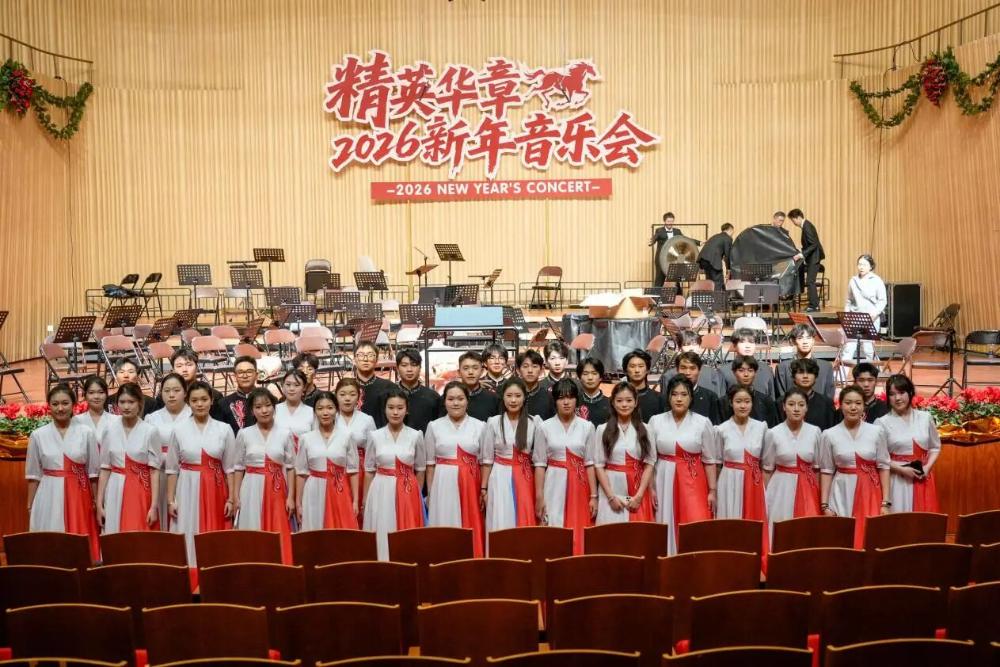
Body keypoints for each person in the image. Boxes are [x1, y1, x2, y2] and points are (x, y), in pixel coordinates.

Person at [165, 381, 237, 566]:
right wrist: (171, 500)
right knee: (188, 528)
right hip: (187, 488)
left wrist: (231, 499)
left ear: (211, 400)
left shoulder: (224, 429)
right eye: (195, 400)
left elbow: (230, 468)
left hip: (216, 490)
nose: (199, 404)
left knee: (214, 533)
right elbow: (172, 469)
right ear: (188, 402)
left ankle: (214, 570)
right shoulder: (179, 430)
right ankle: (189, 571)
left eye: (204, 399)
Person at [26, 384, 100, 562]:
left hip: (79, 494)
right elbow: (33, 475)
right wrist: (30, 506)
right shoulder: (38, 435)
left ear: (74, 404)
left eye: (65, 403)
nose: (60, 408)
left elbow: (93, 472)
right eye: (55, 404)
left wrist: (96, 502)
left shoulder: (86, 433)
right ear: (49, 406)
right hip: (48, 494)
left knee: (80, 545)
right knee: (51, 541)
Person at [647, 375, 718, 555]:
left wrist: (712, 490)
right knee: (665, 519)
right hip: (663, 478)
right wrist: (651, 488)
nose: (679, 399)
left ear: (691, 397)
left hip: (694, 480)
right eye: (674, 394)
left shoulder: (703, 422)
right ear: (668, 396)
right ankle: (667, 561)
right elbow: (650, 459)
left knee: (695, 519)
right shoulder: (656, 421)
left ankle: (694, 562)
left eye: (684, 394)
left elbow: (710, 460)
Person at [818, 384, 891, 549]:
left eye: (858, 403)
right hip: (841, 492)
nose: (853, 407)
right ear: (840, 405)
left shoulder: (876, 432)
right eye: (848, 402)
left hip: (870, 492)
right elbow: (827, 471)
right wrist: (825, 505)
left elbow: (884, 466)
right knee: (843, 539)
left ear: (864, 406)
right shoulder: (829, 434)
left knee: (869, 539)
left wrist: (885, 502)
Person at [533, 378, 598, 554]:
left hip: (580, 485)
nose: (566, 402)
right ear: (555, 401)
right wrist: (539, 495)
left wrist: (594, 496)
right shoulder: (544, 427)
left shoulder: (587, 427)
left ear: (577, 400)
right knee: (553, 524)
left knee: (579, 527)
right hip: (553, 482)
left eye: (570, 397)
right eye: (561, 398)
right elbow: (540, 464)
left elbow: (590, 463)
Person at [363, 387, 426, 561]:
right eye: (391, 407)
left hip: (408, 491)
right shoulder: (375, 436)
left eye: (400, 408)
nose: (395, 412)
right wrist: (366, 500)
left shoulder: (416, 436)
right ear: (385, 409)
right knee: (382, 528)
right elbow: (369, 470)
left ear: (407, 410)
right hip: (381, 489)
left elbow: (420, 469)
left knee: (406, 533)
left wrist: (415, 494)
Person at [425, 382, 487, 557]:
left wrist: (483, 489)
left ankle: (472, 561)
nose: (456, 403)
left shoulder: (480, 426)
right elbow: (430, 464)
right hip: (443, 482)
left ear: (467, 401)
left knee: (471, 523)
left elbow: (484, 462)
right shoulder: (434, 426)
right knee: (445, 522)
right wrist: (430, 492)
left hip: (471, 483)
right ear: (444, 401)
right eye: (451, 399)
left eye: (460, 399)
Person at [234, 389, 296, 563]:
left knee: (278, 527)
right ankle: (252, 565)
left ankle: (280, 565)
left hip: (277, 489)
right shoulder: (244, 434)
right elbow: (238, 467)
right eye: (258, 407)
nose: (264, 410)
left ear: (274, 407)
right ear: (252, 410)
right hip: (251, 487)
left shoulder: (285, 433)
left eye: (268, 405)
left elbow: (291, 467)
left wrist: (291, 497)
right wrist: (236, 496)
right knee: (252, 525)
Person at [96, 383, 161, 535]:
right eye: (122, 402)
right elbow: (105, 468)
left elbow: (154, 471)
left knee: (139, 533)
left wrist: (154, 506)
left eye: (131, 402)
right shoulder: (109, 430)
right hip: (114, 488)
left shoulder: (150, 431)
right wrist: (99, 503)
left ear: (139, 403)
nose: (126, 407)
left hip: (140, 491)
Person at [480, 378, 541, 537]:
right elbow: (487, 460)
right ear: (503, 397)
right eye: (509, 395)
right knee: (500, 518)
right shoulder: (493, 422)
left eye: (518, 396)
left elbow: (540, 458)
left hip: (525, 477)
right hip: (499, 475)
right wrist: (484, 488)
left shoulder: (534, 422)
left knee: (525, 518)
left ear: (524, 397)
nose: (513, 400)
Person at [714, 385, 769, 556]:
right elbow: (717, 463)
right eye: (738, 401)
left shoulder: (762, 428)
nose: (743, 406)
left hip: (755, 482)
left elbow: (766, 461)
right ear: (731, 403)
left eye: (747, 401)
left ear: (752, 403)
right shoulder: (721, 429)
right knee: (731, 520)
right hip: (729, 480)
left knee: (755, 522)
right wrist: (715, 490)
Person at [876, 375, 940, 513]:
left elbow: (935, 447)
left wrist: (927, 467)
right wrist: (901, 469)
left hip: (923, 477)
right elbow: (879, 458)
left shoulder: (925, 418)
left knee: (925, 520)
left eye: (901, 392)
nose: (897, 398)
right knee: (900, 520)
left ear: (910, 392)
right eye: (892, 394)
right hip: (897, 480)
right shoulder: (881, 423)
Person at [762, 389, 822, 538]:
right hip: (781, 487)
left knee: (807, 529)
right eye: (791, 404)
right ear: (783, 407)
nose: (796, 409)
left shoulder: (815, 431)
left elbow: (817, 468)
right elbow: (767, 469)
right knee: (781, 526)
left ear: (806, 408)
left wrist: (819, 495)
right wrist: (766, 497)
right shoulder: (773, 433)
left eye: (801, 405)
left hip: (808, 487)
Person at [296, 391, 359, 532]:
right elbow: (301, 473)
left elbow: (353, 470)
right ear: (315, 412)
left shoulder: (347, 436)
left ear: (337, 410)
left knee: (341, 531)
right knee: (315, 529)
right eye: (320, 408)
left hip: (340, 490)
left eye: (330, 408)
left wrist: (355, 501)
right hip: (314, 490)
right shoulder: (306, 438)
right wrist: (298, 503)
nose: (325, 413)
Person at [593, 383, 655, 525]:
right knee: (611, 529)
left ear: (636, 402)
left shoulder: (646, 429)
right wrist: (611, 497)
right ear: (613, 403)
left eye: (629, 400)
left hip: (638, 489)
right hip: (611, 487)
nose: (624, 405)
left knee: (638, 531)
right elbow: (599, 465)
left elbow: (649, 463)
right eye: (619, 401)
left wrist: (639, 496)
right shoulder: (602, 429)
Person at [145, 373, 190, 527]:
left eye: (176, 390)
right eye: (166, 390)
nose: (171, 395)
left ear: (185, 392)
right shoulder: (152, 418)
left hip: (186, 475)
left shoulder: (193, 415)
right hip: (159, 475)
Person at [335, 377, 377, 524]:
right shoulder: (329, 418)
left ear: (358, 397)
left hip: (361, 470)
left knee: (359, 509)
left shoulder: (367, 419)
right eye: (342, 394)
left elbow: (373, 451)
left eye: (352, 394)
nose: (347, 398)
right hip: (336, 468)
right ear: (336, 396)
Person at [158, 350, 226, 422]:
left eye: (189, 365)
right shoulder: (164, 397)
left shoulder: (214, 395)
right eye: (179, 366)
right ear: (173, 370)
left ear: (197, 367)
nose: (184, 370)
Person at [843, 254, 887, 361]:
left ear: (871, 266)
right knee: (849, 347)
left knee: (868, 349)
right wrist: (847, 315)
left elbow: (882, 301)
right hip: (855, 318)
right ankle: (843, 371)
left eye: (864, 265)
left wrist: (874, 313)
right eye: (859, 264)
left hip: (871, 319)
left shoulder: (877, 280)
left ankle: (873, 369)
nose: (861, 267)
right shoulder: (853, 280)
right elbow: (849, 300)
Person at [774, 324, 835, 399]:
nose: (805, 342)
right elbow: (780, 398)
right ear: (793, 341)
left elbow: (829, 397)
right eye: (800, 338)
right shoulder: (783, 368)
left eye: (808, 338)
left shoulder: (826, 367)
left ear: (813, 340)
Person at [721, 355, 779, 427]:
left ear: (755, 372)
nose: (746, 374)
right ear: (734, 372)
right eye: (741, 370)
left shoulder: (766, 401)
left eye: (750, 370)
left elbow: (772, 428)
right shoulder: (723, 402)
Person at [720, 329, 776, 400]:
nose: (747, 346)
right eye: (743, 342)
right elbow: (722, 400)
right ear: (734, 346)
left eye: (751, 342)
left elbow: (772, 398)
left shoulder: (766, 369)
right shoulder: (724, 371)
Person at [396, 349, 442, 433]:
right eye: (404, 365)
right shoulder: (389, 395)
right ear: (397, 368)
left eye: (414, 365)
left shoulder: (433, 397)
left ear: (420, 367)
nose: (409, 369)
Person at [786, 358, 840, 431]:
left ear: (816, 377)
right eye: (801, 372)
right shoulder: (782, 402)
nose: (805, 376)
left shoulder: (826, 403)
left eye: (809, 372)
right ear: (793, 377)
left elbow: (832, 430)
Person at [789, 209, 825, 312]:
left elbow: (814, 244)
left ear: (798, 217)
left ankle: (814, 306)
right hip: (812, 258)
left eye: (793, 220)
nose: (794, 223)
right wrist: (801, 251)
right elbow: (810, 244)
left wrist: (801, 254)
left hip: (814, 258)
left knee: (810, 281)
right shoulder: (806, 226)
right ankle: (813, 305)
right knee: (810, 281)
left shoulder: (807, 226)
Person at [673, 352, 723, 425]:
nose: (687, 373)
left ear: (699, 371)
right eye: (683, 368)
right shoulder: (667, 397)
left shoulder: (710, 397)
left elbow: (715, 427)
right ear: (677, 370)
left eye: (692, 368)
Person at [354, 341, 394, 428]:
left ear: (377, 360)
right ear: (354, 360)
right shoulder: (347, 387)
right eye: (361, 355)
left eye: (370, 355)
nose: (365, 359)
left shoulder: (389, 387)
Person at [274, 370, 315, 449]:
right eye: (288, 384)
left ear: (304, 388)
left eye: (296, 385)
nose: (291, 389)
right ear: (283, 386)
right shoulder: (274, 410)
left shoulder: (311, 412)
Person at [74, 375, 116, 450]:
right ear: (85, 395)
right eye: (91, 393)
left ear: (106, 394)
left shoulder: (116, 420)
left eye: (101, 392)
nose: (96, 396)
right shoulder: (76, 421)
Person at [457, 351, 500, 422]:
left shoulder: (494, 399)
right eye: (466, 368)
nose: (470, 372)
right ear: (459, 372)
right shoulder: (449, 399)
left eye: (475, 368)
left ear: (482, 371)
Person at [220, 356, 258, 434]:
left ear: (256, 375)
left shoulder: (268, 401)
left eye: (249, 372)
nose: (245, 376)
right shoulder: (223, 403)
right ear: (235, 376)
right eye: (240, 372)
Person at [622, 349, 662, 421]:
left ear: (647, 370)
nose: (637, 370)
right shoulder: (618, 399)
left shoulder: (659, 399)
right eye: (632, 366)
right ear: (625, 371)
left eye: (641, 366)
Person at [517, 349, 555, 420]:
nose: (530, 371)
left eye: (534, 366)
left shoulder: (549, 397)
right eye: (525, 366)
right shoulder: (512, 396)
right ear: (518, 370)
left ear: (541, 370)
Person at [650, 211, 684, 287]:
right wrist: (652, 241)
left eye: (672, 221)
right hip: (661, 259)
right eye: (668, 221)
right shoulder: (659, 230)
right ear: (664, 221)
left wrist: (698, 242)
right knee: (659, 280)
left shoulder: (677, 231)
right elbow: (656, 237)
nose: (670, 223)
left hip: (673, 259)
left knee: (676, 280)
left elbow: (685, 239)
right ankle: (656, 295)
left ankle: (678, 294)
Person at [698, 223, 734, 290]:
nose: (732, 234)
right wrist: (728, 270)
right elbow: (728, 256)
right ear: (730, 229)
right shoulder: (728, 238)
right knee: (718, 282)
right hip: (713, 261)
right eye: (733, 232)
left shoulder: (715, 236)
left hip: (703, 260)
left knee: (710, 282)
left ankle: (711, 296)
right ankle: (718, 296)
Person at [576, 357, 610, 426]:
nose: (590, 378)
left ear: (601, 377)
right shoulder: (574, 402)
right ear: (579, 378)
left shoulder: (610, 404)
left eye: (594, 373)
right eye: (585, 374)